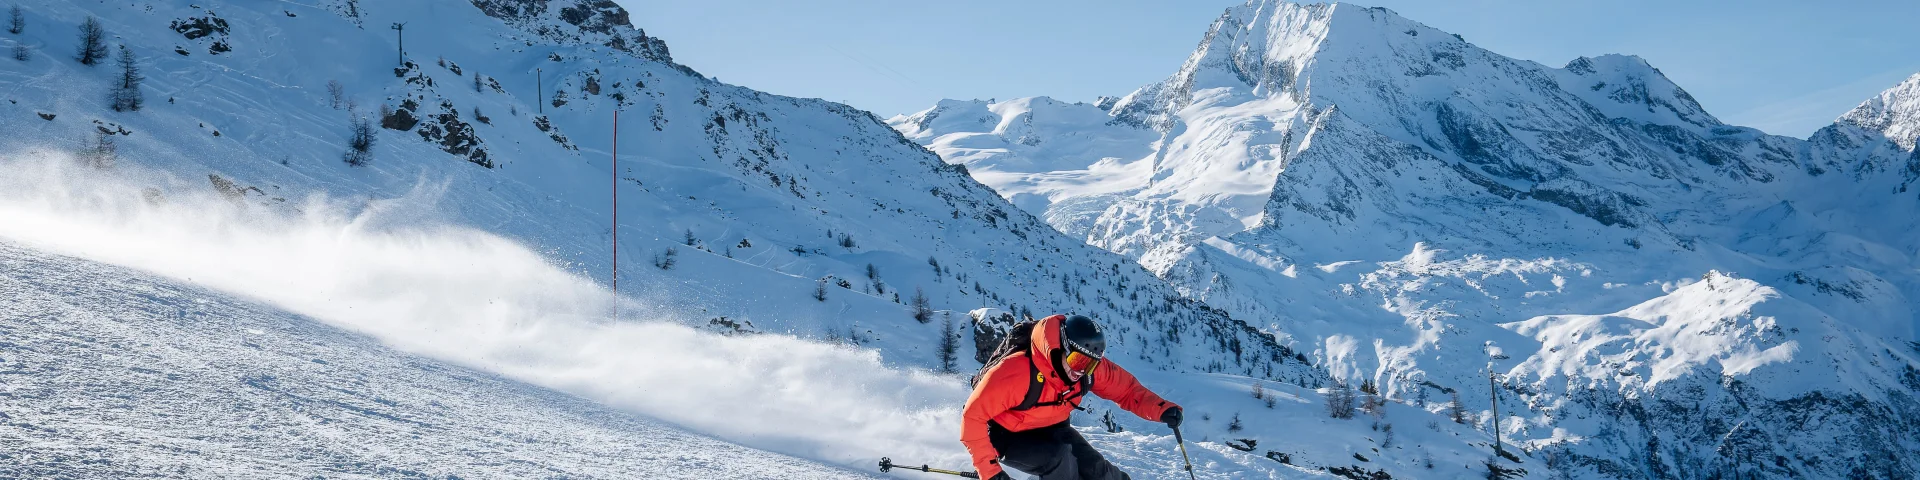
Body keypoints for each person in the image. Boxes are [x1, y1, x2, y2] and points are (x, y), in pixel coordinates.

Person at [961, 314, 1184, 480]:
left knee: (1097, 468)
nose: (1081, 370)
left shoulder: (1086, 368)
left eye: (1090, 364)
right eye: (1078, 361)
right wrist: (990, 471)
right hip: (1006, 435)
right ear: (1062, 349)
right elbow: (972, 417)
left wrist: (1161, 408)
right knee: (1060, 461)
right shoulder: (1015, 372)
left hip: (1052, 428)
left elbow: (1127, 390)